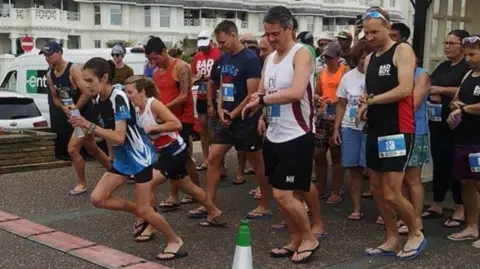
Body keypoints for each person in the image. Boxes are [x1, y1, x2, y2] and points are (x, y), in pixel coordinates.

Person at [70, 58, 187, 261]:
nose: (86, 85)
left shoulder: (119, 97)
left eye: (90, 80)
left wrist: (88, 126)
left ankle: (175, 240)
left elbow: (119, 136)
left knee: (144, 208)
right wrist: (109, 155)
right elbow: (108, 132)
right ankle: (142, 213)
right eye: (84, 80)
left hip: (139, 156)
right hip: (123, 157)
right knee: (98, 199)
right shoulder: (98, 98)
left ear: (104, 77)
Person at [243, 6, 320, 263]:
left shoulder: (302, 54)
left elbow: (297, 91)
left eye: (276, 33)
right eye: (267, 34)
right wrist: (261, 112)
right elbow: (262, 92)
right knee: (285, 194)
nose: (271, 39)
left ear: (290, 29)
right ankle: (296, 239)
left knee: (282, 194)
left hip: (297, 133)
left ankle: (309, 237)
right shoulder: (269, 59)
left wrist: (262, 99)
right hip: (274, 134)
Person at [357, 8, 426, 259]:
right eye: (367, 32)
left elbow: (405, 89)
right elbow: (370, 93)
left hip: (397, 130)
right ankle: (392, 238)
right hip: (375, 129)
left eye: (375, 31)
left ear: (388, 28)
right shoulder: (370, 58)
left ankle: (416, 232)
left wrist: (372, 100)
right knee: (375, 188)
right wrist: (364, 104)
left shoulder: (402, 50)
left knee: (392, 192)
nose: (371, 36)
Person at [123, 75, 223, 234]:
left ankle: (150, 225)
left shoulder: (153, 104)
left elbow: (176, 124)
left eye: (130, 92)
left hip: (175, 150)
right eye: (125, 92)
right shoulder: (136, 109)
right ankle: (214, 211)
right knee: (186, 185)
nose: (127, 96)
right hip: (162, 152)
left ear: (141, 92)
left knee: (146, 184)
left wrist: (153, 129)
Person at [201, 19, 271, 225]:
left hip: (246, 119)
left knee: (256, 162)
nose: (220, 46)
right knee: (213, 157)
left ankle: (265, 204)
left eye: (222, 42)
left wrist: (234, 114)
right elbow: (222, 85)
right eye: (218, 42)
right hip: (227, 118)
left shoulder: (249, 59)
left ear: (233, 36)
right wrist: (220, 107)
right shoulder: (223, 59)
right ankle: (209, 204)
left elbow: (252, 94)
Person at [42, 41, 111, 195]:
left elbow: (87, 92)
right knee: (92, 149)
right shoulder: (50, 74)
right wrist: (63, 108)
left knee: (72, 149)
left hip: (86, 114)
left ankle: (82, 184)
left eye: (50, 55)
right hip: (73, 115)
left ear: (59, 53)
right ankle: (115, 172)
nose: (47, 58)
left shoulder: (73, 69)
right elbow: (55, 98)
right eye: (45, 56)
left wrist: (75, 109)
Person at [145, 36, 200, 209]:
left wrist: (164, 109)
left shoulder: (181, 67)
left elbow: (184, 95)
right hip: (166, 120)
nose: (154, 62)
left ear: (164, 52)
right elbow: (157, 96)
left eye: (156, 58)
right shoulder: (155, 72)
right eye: (150, 59)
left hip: (183, 118)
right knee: (180, 157)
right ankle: (183, 193)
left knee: (175, 157)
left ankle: (184, 193)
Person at [423, 30, 470, 228]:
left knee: (455, 165)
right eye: (446, 43)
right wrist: (433, 91)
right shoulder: (442, 66)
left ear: (463, 45)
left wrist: (442, 90)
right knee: (439, 162)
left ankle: (460, 207)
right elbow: (429, 84)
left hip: (458, 125)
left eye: (452, 43)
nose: (447, 46)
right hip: (437, 122)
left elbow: (464, 90)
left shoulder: (467, 68)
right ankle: (437, 203)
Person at [331, 40, 371, 220]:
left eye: (367, 57)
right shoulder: (348, 77)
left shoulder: (378, 77)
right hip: (350, 126)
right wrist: (336, 129)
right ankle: (356, 208)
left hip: (370, 128)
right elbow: (341, 104)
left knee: (373, 171)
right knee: (353, 169)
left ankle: (385, 211)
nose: (364, 61)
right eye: (361, 58)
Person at [446, 35, 480, 249]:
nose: (468, 58)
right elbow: (456, 98)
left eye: (473, 54)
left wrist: (463, 108)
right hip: (463, 137)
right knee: (466, 182)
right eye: (466, 54)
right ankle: (471, 226)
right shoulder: (468, 74)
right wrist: (456, 105)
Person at [315, 42, 349, 203]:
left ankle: (336, 190)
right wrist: (318, 99)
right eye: (325, 57)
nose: (327, 60)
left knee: (336, 156)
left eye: (330, 57)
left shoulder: (345, 72)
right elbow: (316, 92)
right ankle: (321, 188)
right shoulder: (322, 72)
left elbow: (345, 96)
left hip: (338, 118)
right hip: (323, 118)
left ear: (338, 57)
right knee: (318, 154)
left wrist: (331, 102)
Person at [191, 30, 221, 171]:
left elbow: (218, 75)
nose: (203, 48)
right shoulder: (197, 56)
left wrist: (203, 77)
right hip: (201, 95)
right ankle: (206, 158)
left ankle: (218, 160)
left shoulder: (217, 54)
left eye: (205, 45)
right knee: (203, 128)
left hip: (215, 94)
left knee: (213, 129)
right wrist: (197, 79)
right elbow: (193, 74)